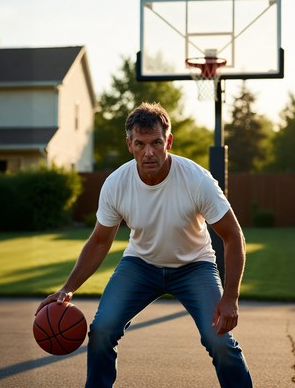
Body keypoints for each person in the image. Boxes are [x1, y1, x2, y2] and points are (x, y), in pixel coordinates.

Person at [36, 102, 253, 387]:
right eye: (140, 144)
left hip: (194, 266)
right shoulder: (117, 183)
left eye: (156, 143)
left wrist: (230, 298)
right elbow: (100, 241)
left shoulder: (197, 180)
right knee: (102, 330)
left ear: (169, 141)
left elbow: (233, 236)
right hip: (140, 265)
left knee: (220, 341)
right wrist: (67, 288)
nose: (149, 152)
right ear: (129, 144)